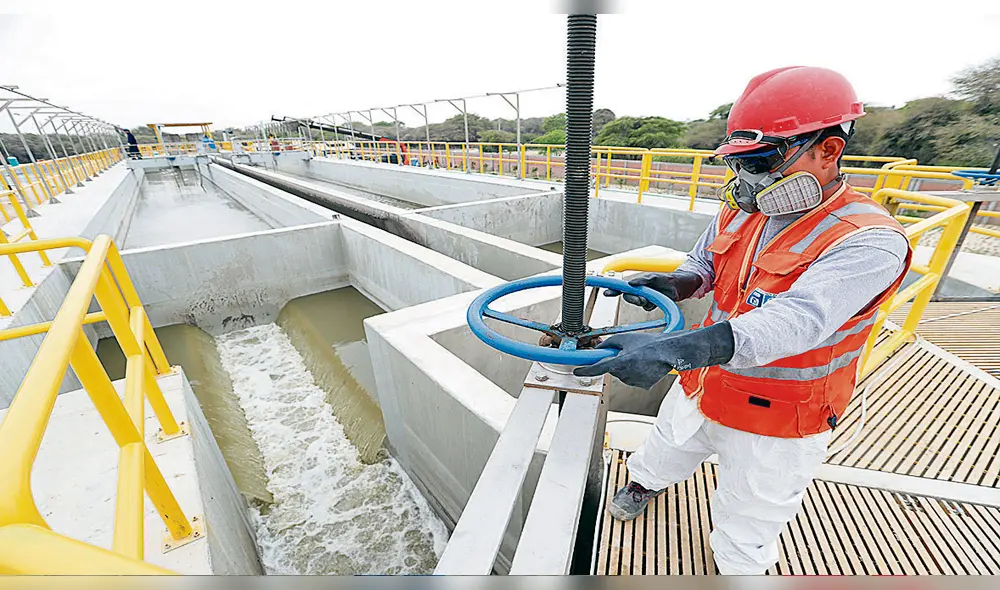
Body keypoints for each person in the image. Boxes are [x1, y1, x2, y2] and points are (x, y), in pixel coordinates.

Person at [574, 66, 912, 575]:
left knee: (749, 522)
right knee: (666, 445)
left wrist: (672, 349)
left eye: (760, 161)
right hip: (704, 382)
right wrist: (678, 284)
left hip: (779, 416)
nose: (746, 179)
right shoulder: (742, 208)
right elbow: (704, 261)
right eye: (739, 163)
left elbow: (796, 322)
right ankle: (642, 484)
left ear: (828, 150)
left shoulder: (868, 240)